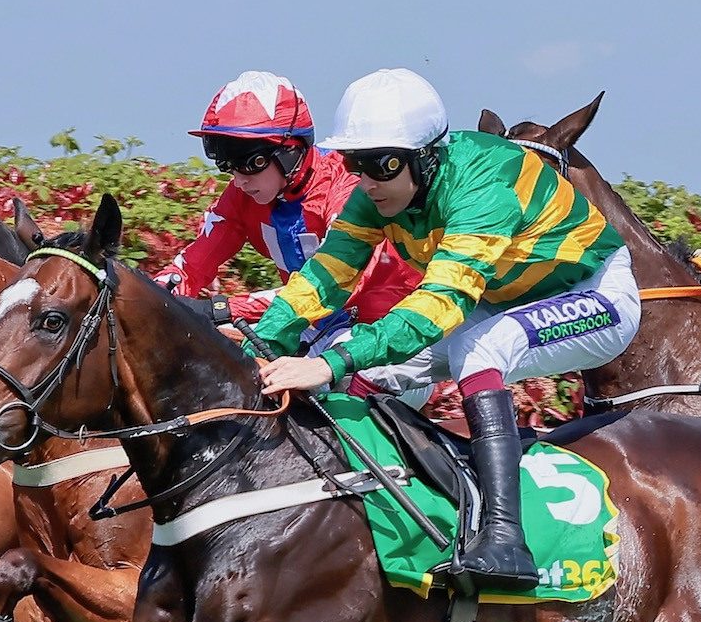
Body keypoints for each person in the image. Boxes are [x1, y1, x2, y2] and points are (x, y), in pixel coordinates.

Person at [250, 68, 639, 587]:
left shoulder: (483, 185)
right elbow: (323, 278)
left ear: (426, 157)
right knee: (369, 369)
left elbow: (441, 304)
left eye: (381, 165)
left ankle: (506, 540)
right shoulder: (373, 197)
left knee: (480, 350)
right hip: (497, 300)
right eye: (353, 164)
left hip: (591, 295)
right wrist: (268, 341)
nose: (366, 181)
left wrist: (326, 362)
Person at [155, 70, 431, 406]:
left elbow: (338, 289)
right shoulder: (241, 195)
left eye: (248, 163)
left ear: (291, 151)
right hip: (312, 331)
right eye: (226, 163)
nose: (238, 179)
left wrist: (220, 307)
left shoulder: (344, 188)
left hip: (388, 338)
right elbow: (192, 266)